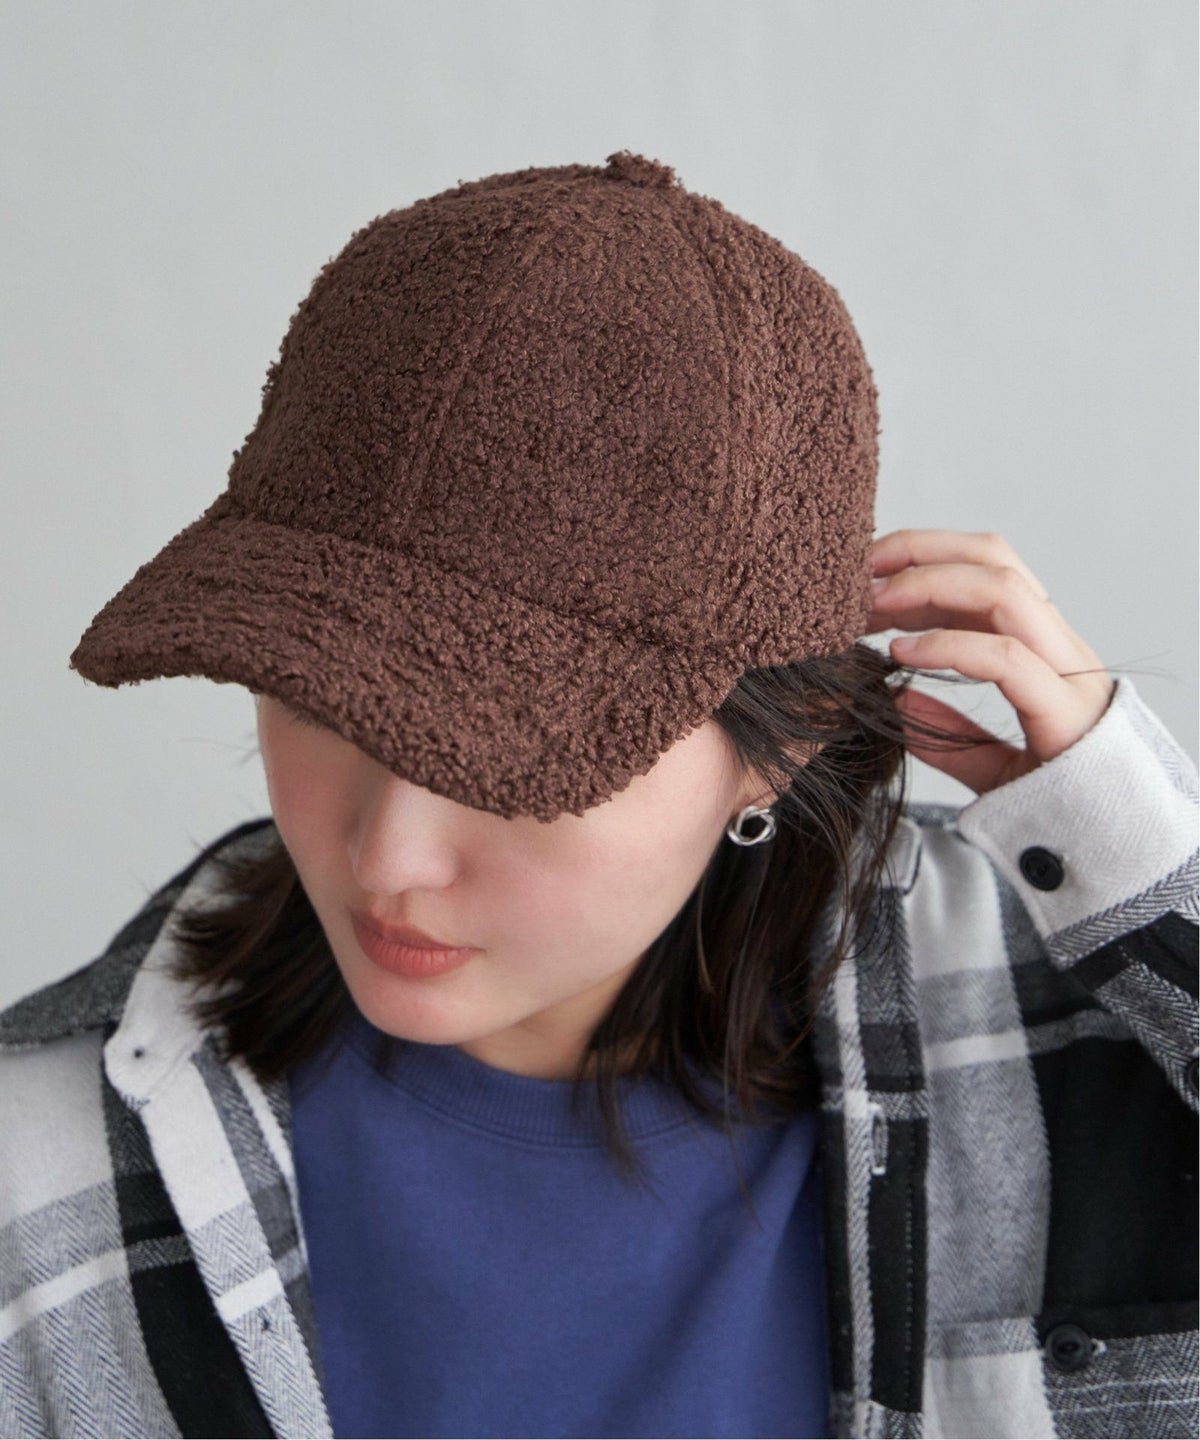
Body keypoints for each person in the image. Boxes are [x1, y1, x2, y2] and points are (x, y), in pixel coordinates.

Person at [1, 152, 1195, 1440]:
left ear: (780, 743)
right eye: (320, 702)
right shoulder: (45, 1165)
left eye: (519, 754)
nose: (389, 859)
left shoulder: (1075, 1013)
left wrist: (1138, 852)